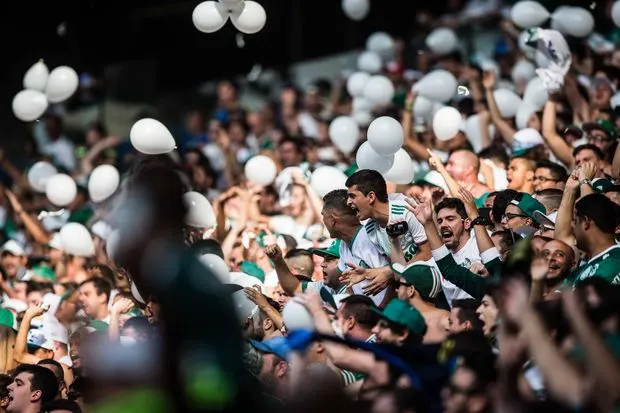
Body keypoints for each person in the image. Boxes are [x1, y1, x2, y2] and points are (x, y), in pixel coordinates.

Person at [345, 170, 431, 263]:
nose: (348, 202)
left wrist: (394, 271)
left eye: (352, 196)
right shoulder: (370, 229)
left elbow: (427, 254)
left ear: (371, 197)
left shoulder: (406, 211)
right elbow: (393, 264)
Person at [567, 193, 620, 286]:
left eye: (575, 221)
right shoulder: (580, 271)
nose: (572, 226)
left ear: (586, 222)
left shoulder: (615, 263)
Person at [391, 262, 449, 343]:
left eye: (399, 285)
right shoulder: (445, 319)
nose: (396, 290)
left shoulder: (446, 322)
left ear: (410, 290)